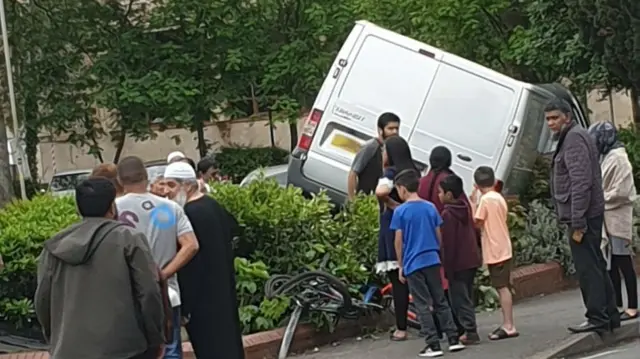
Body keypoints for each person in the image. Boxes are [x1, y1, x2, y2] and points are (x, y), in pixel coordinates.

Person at [34, 177, 165, 359]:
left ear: (78, 207)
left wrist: (55, 337)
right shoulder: (129, 239)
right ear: (112, 206)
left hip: (69, 349)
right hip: (125, 349)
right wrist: (156, 338)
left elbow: (42, 300)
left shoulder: (55, 246)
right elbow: (149, 292)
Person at [545, 99, 620, 333]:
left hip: (583, 216)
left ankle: (597, 316)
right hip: (587, 214)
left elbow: (581, 182)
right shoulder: (573, 136)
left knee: (588, 268)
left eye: (555, 118)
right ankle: (609, 315)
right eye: (548, 119)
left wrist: (578, 220)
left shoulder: (574, 138)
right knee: (595, 263)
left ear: (567, 117)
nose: (551, 123)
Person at [116, 156, 200, 359]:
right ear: (146, 177)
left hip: (128, 295)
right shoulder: (169, 208)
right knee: (170, 350)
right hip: (167, 293)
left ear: (120, 180)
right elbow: (191, 245)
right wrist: (163, 273)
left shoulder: (113, 209)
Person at [163, 162, 245, 359]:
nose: (167, 192)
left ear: (188, 185)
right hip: (223, 290)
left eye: (172, 185)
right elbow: (236, 233)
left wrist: (186, 307)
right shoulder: (212, 204)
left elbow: (192, 266)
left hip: (203, 301)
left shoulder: (190, 214)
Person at [391, 169, 465, 357]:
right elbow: (438, 234)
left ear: (402, 189)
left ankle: (433, 344)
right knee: (440, 300)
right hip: (432, 259)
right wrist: (435, 251)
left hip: (413, 263)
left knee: (422, 304)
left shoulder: (400, 211)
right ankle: (453, 339)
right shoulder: (431, 207)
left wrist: (401, 265)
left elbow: (398, 241)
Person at [587, 122, 638, 321]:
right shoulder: (606, 156)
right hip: (607, 216)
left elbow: (623, 191)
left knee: (623, 262)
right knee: (612, 264)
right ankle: (616, 304)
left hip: (618, 217)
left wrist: (601, 198)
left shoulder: (619, 158)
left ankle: (633, 306)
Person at [374, 136, 416, 341]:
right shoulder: (413, 172)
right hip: (414, 228)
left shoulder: (391, 173)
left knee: (398, 280)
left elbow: (380, 191)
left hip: (393, 229)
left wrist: (390, 203)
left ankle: (401, 328)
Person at [471, 166, 518, 340]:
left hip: (495, 249)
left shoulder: (485, 200)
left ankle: (508, 324)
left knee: (502, 287)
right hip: (503, 246)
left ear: (477, 184)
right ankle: (508, 323)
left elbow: (476, 221)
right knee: (503, 286)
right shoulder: (498, 198)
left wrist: (473, 201)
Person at [438, 174, 482, 344]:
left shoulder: (448, 214)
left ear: (449, 194)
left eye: (440, 192)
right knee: (467, 295)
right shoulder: (464, 207)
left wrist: (447, 268)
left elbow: (448, 244)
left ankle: (470, 331)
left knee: (460, 299)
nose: (438, 195)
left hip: (457, 263)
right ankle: (469, 328)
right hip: (470, 259)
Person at [347, 112, 400, 200]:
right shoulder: (371, 146)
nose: (395, 132)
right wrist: (352, 200)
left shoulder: (394, 149)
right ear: (380, 130)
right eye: (390, 128)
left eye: (396, 128)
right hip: (363, 201)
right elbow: (353, 174)